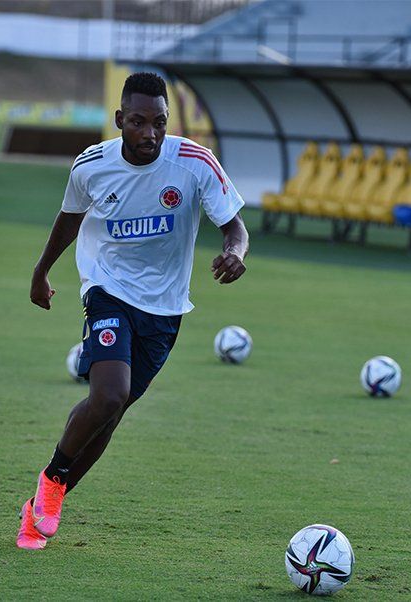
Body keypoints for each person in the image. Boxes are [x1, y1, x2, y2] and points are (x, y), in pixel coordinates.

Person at [17, 72, 249, 550]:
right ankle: (53, 480)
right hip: (108, 287)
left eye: (159, 123)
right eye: (139, 122)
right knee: (108, 395)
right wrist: (41, 272)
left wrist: (235, 252)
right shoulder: (91, 165)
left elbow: (235, 227)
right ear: (119, 119)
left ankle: (38, 509)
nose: (150, 133)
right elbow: (69, 219)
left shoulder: (194, 162)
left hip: (164, 307)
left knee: (111, 413)